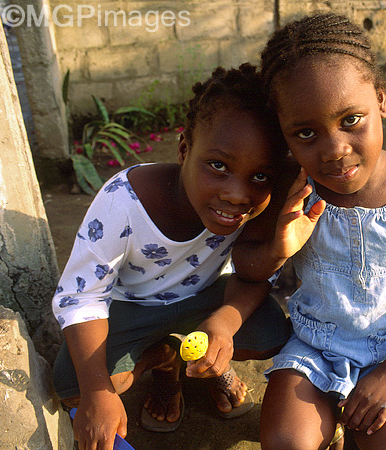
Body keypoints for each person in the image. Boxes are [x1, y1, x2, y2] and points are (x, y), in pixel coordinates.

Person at [231, 13, 386, 450]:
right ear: (284, 135)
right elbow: (244, 263)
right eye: (306, 133)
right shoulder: (292, 190)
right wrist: (279, 248)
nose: (335, 150)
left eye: (351, 120)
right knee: (286, 443)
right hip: (312, 348)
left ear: (381, 99)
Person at [51, 63, 292, 450]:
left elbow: (250, 275)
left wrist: (223, 327)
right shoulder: (124, 202)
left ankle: (206, 358)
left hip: (206, 296)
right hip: (131, 306)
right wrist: (98, 392)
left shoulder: (260, 203)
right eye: (218, 166)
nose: (236, 193)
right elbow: (82, 297)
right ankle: (165, 362)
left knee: (271, 336)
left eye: (260, 176)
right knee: (73, 388)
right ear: (184, 148)